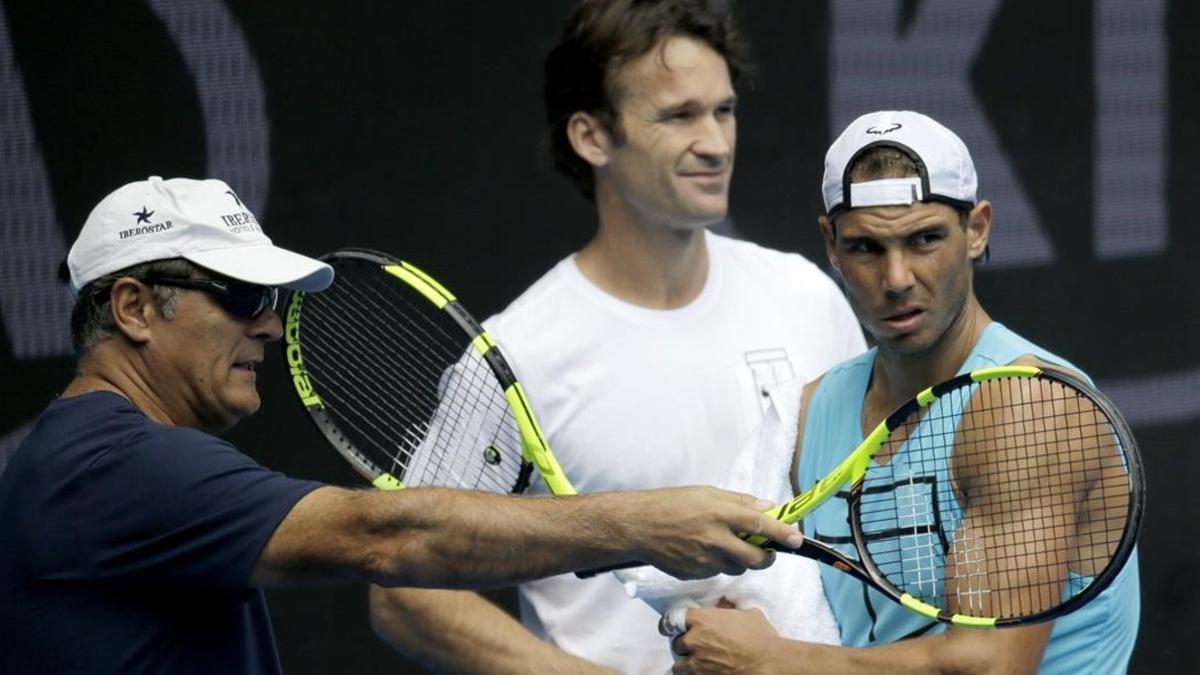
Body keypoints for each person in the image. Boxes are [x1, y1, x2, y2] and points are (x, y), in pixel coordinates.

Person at [0, 175, 808, 675]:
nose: (272, 329)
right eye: (243, 298)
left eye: (274, 303)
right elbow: (383, 535)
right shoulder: (105, 463)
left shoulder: (99, 462)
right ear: (135, 308)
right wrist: (645, 523)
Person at [368, 1, 865, 673]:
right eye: (679, 116)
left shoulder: (807, 297)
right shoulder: (519, 353)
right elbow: (404, 592)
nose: (716, 142)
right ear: (592, 137)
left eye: (724, 111)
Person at [669, 110, 1142, 674]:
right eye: (867, 248)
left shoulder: (1029, 404)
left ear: (978, 230)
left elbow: (990, 667)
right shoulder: (809, 413)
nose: (896, 279)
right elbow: (774, 605)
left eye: (924, 240)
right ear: (831, 244)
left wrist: (774, 661)